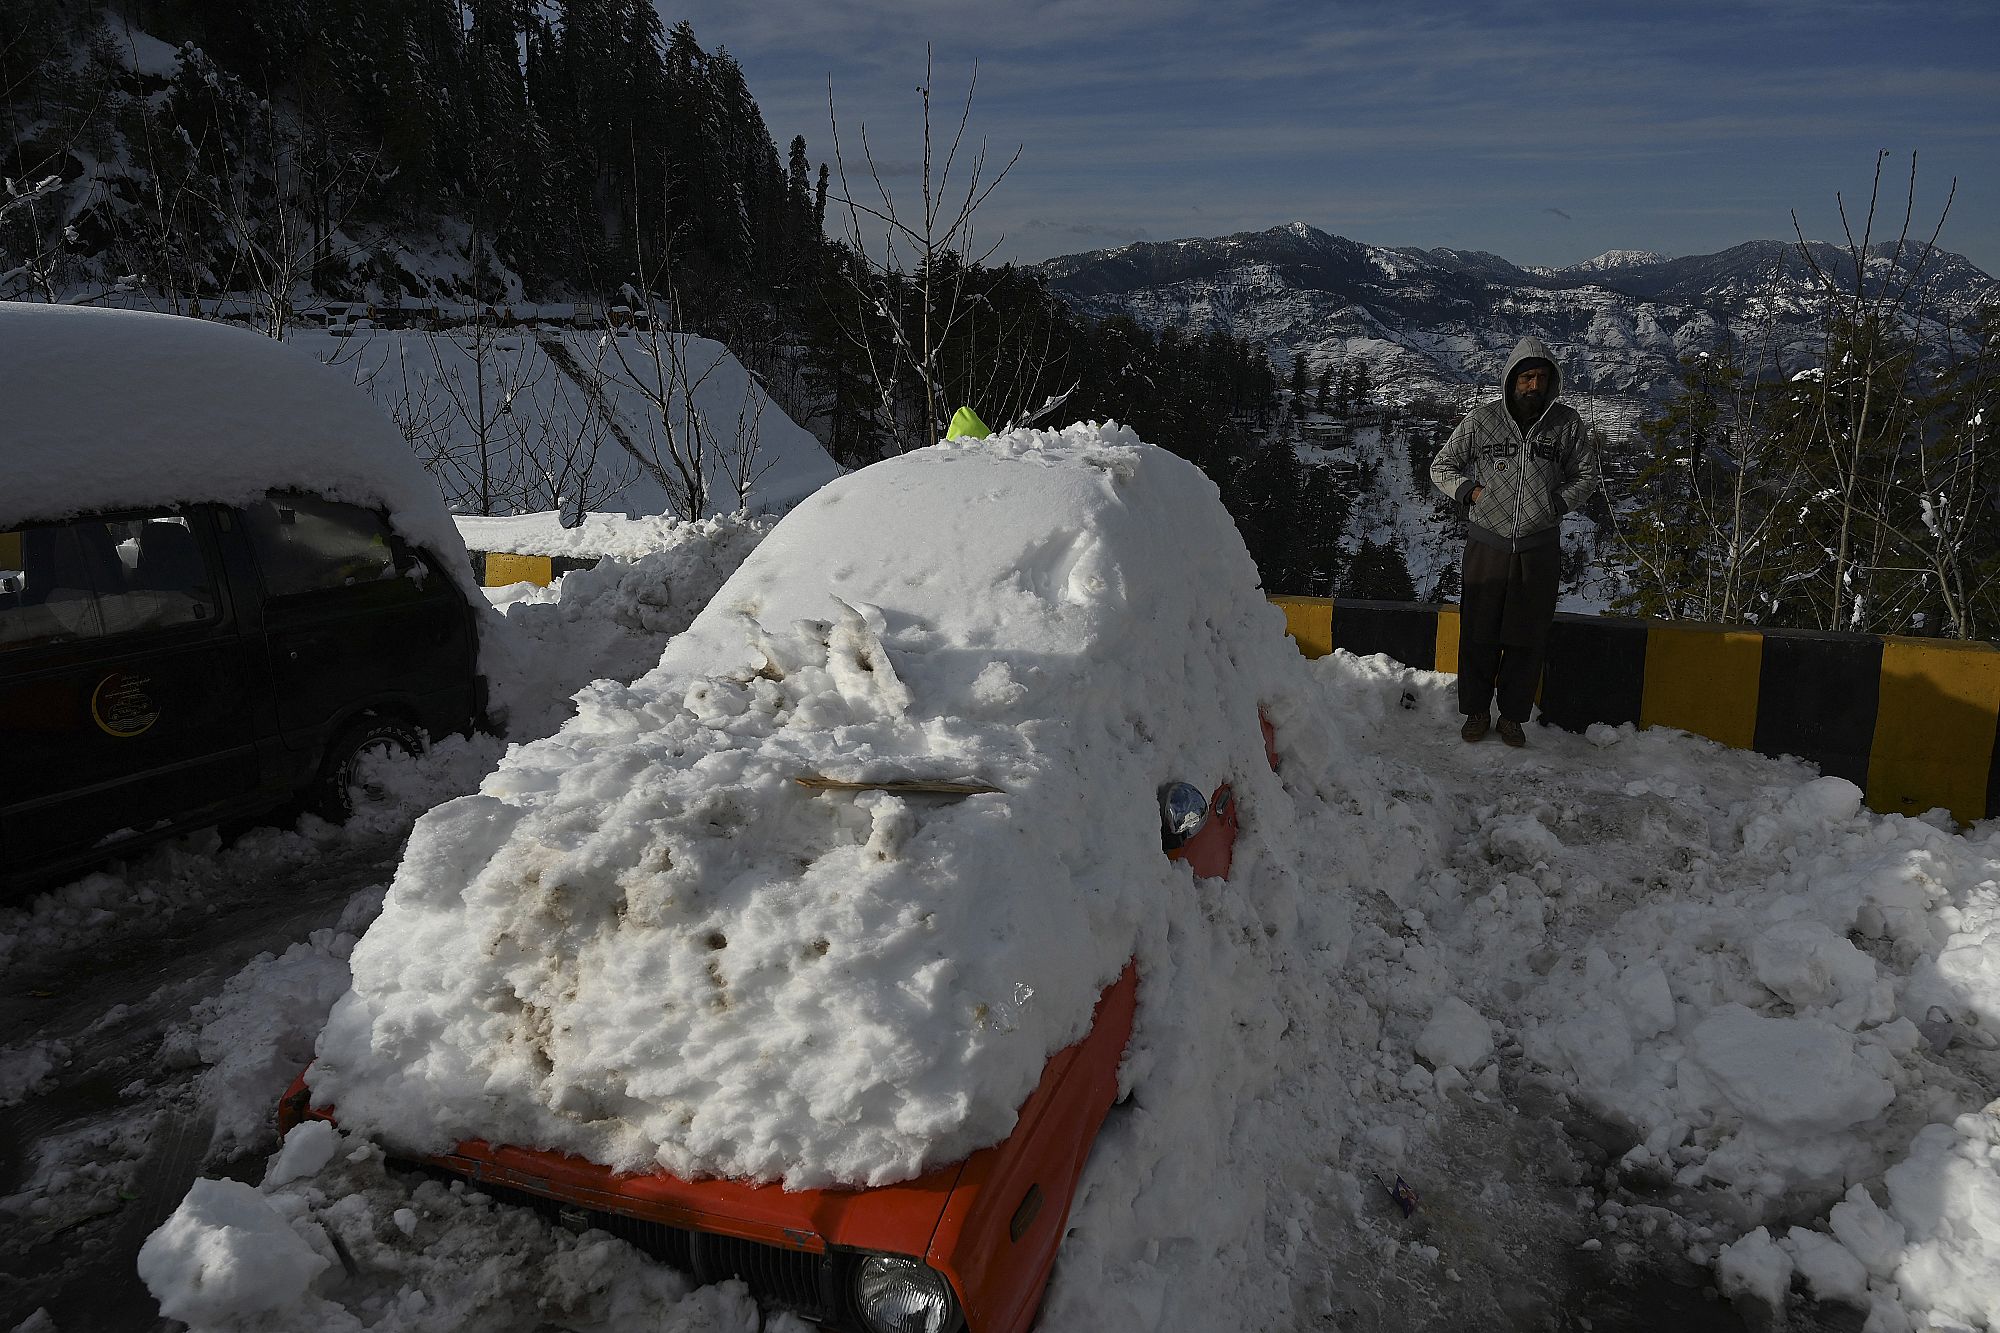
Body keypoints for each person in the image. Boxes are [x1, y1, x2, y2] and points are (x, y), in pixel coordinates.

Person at [1430, 335, 1600, 747]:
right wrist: (1470, 491)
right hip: (1486, 544)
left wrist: (1555, 504)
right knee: (1478, 633)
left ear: (1551, 382)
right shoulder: (1483, 420)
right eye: (1526, 377)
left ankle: (1511, 717)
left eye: (1541, 378)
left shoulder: (1567, 425)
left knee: (1527, 636)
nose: (1533, 386)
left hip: (1537, 547)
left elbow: (1587, 476)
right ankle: (1475, 712)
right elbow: (1442, 465)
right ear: (1511, 380)